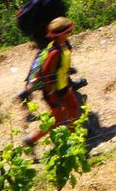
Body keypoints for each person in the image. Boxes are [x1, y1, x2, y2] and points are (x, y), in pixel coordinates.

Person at [15, 0, 74, 101]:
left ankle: (30, 87)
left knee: (43, 58)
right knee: (60, 56)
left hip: (38, 34)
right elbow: (57, 23)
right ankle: (36, 88)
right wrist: (60, 38)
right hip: (49, 36)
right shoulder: (53, 0)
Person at [23, 17, 80, 147]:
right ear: (60, 34)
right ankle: (32, 140)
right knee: (56, 120)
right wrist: (53, 97)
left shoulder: (63, 46)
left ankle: (74, 138)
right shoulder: (54, 52)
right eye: (67, 32)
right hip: (53, 92)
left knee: (73, 108)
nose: (69, 34)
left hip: (64, 86)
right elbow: (46, 75)